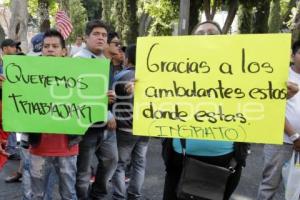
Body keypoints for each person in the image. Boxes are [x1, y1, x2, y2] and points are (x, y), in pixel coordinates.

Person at [162, 21, 246, 200]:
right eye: (200, 33)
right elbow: (158, 108)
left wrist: (280, 96)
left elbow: (259, 101)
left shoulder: (242, 70)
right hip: (180, 158)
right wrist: (141, 90)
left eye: (212, 33)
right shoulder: (172, 69)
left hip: (226, 160)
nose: (206, 37)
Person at [26, 29, 79, 200]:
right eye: (46, 46)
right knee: (37, 195)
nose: (50, 49)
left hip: (67, 146)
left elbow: (89, 102)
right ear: (41, 51)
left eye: (55, 46)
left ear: (64, 51)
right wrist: (5, 87)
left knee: (69, 194)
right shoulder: (27, 76)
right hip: (38, 146)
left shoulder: (78, 75)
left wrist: (105, 98)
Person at [74, 19, 118, 200]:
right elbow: (76, 93)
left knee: (111, 161)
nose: (101, 38)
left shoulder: (104, 61)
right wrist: (107, 112)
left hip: (105, 127)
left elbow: (103, 91)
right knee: (83, 172)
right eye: (96, 34)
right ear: (86, 37)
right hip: (86, 128)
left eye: (104, 35)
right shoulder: (78, 61)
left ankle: (98, 194)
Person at [257, 40, 300, 200]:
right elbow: (272, 107)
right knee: (269, 185)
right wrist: (295, 136)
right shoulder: (280, 75)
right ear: (292, 55)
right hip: (280, 141)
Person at [111, 44, 150, 200]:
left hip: (125, 129)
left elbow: (109, 98)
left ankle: (119, 196)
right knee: (139, 163)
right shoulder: (151, 78)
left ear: (128, 59)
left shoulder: (121, 77)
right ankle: (134, 194)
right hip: (145, 128)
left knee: (119, 165)